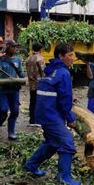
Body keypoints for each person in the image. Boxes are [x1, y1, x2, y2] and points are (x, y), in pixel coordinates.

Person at [24, 43, 81, 185]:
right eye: (70, 56)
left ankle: (31, 165)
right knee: (67, 143)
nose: (72, 59)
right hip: (51, 115)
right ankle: (64, 178)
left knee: (52, 143)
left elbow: (53, 92)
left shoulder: (51, 70)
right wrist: (70, 119)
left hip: (43, 113)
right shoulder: (63, 72)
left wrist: (67, 99)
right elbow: (64, 100)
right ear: (61, 56)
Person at [0, 39, 24, 141]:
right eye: (13, 47)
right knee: (3, 110)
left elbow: (21, 74)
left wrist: (23, 79)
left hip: (14, 90)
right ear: (7, 47)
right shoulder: (1, 60)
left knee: (15, 112)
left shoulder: (17, 60)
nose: (15, 49)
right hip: (2, 90)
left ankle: (11, 132)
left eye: (16, 47)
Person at [25, 42, 45, 126]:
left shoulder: (28, 58)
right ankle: (38, 120)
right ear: (40, 49)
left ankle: (32, 120)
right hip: (39, 84)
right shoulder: (40, 59)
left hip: (31, 84)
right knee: (39, 102)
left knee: (32, 101)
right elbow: (43, 72)